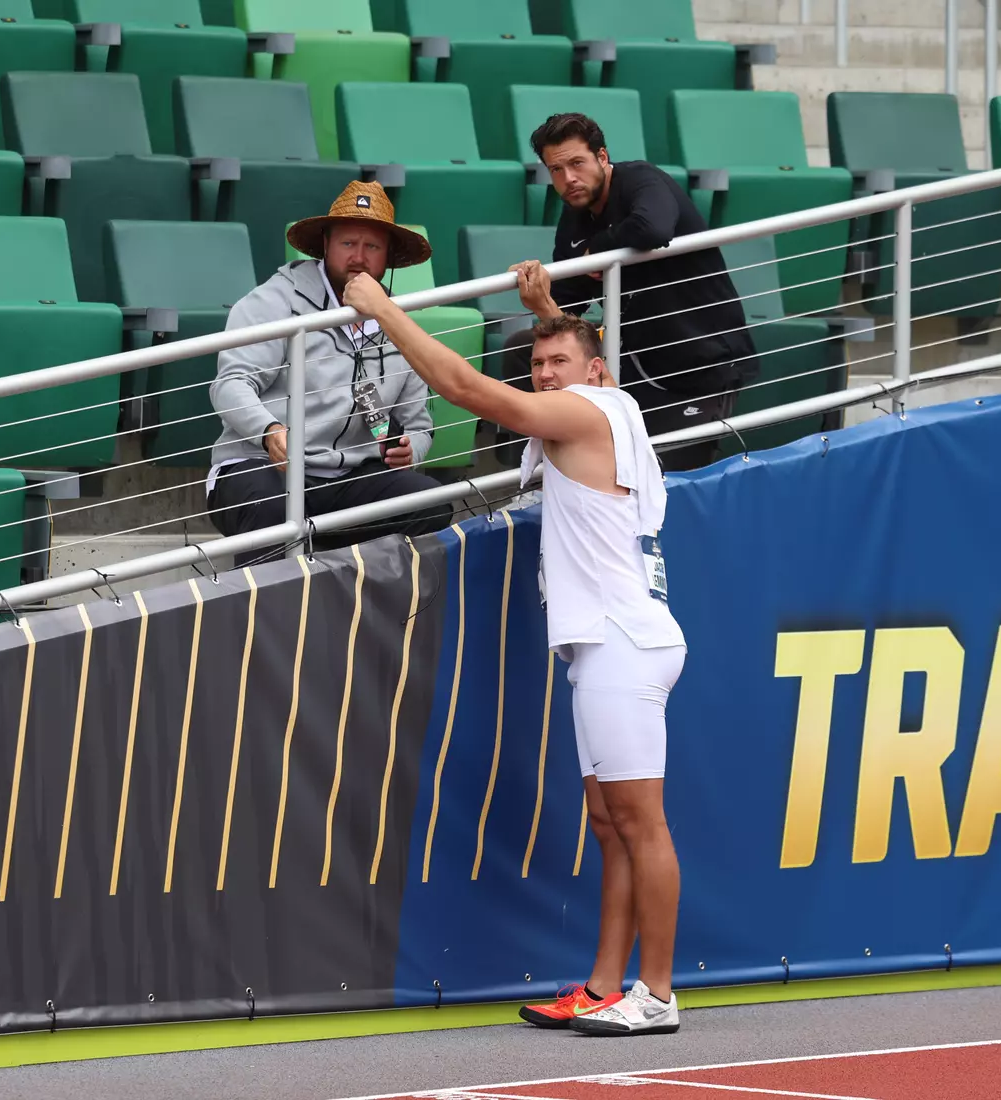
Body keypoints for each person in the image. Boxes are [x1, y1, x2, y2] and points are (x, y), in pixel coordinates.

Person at [345, 268, 688, 1037]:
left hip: (622, 642)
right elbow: (572, 353)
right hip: (608, 644)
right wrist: (547, 313)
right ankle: (603, 986)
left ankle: (658, 995)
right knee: (608, 825)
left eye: (557, 363)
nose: (543, 374)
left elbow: (463, 387)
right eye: (535, 365)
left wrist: (381, 307)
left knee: (640, 825)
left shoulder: (586, 409)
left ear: (594, 372)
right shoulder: (609, 404)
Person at [206, 180, 452, 567]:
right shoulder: (275, 300)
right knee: (273, 509)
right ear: (325, 245)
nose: (359, 257)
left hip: (349, 477)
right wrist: (269, 431)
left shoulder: (398, 322)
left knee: (430, 503)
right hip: (262, 466)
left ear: (388, 256)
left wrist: (412, 450)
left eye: (372, 247)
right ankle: (266, 607)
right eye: (348, 243)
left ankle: (368, 598)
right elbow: (231, 384)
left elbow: (418, 423)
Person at [503, 112, 758, 472]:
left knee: (656, 479)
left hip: (698, 366)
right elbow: (571, 300)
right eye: (556, 170)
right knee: (524, 349)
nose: (568, 178)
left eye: (577, 163)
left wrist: (598, 251)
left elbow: (653, 228)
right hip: (631, 361)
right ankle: (533, 477)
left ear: (602, 157)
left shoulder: (640, 179)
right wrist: (539, 290)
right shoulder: (574, 215)